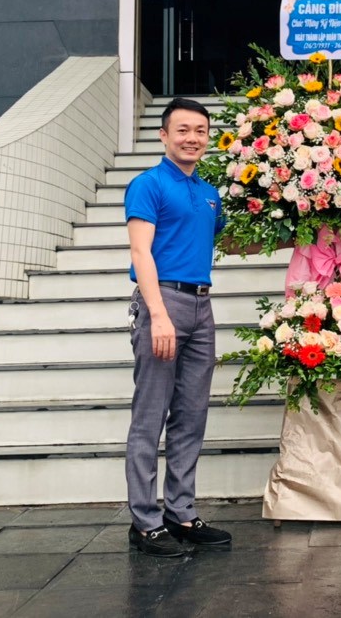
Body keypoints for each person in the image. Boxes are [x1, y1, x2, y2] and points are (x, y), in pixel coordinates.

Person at [123, 97, 232, 557]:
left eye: (200, 131)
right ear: (164, 135)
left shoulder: (209, 192)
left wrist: (305, 226)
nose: (193, 138)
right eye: (183, 130)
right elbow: (140, 251)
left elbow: (227, 242)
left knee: (191, 413)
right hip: (162, 301)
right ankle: (145, 522)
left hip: (201, 305)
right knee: (151, 415)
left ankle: (181, 513)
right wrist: (159, 314)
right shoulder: (147, 185)